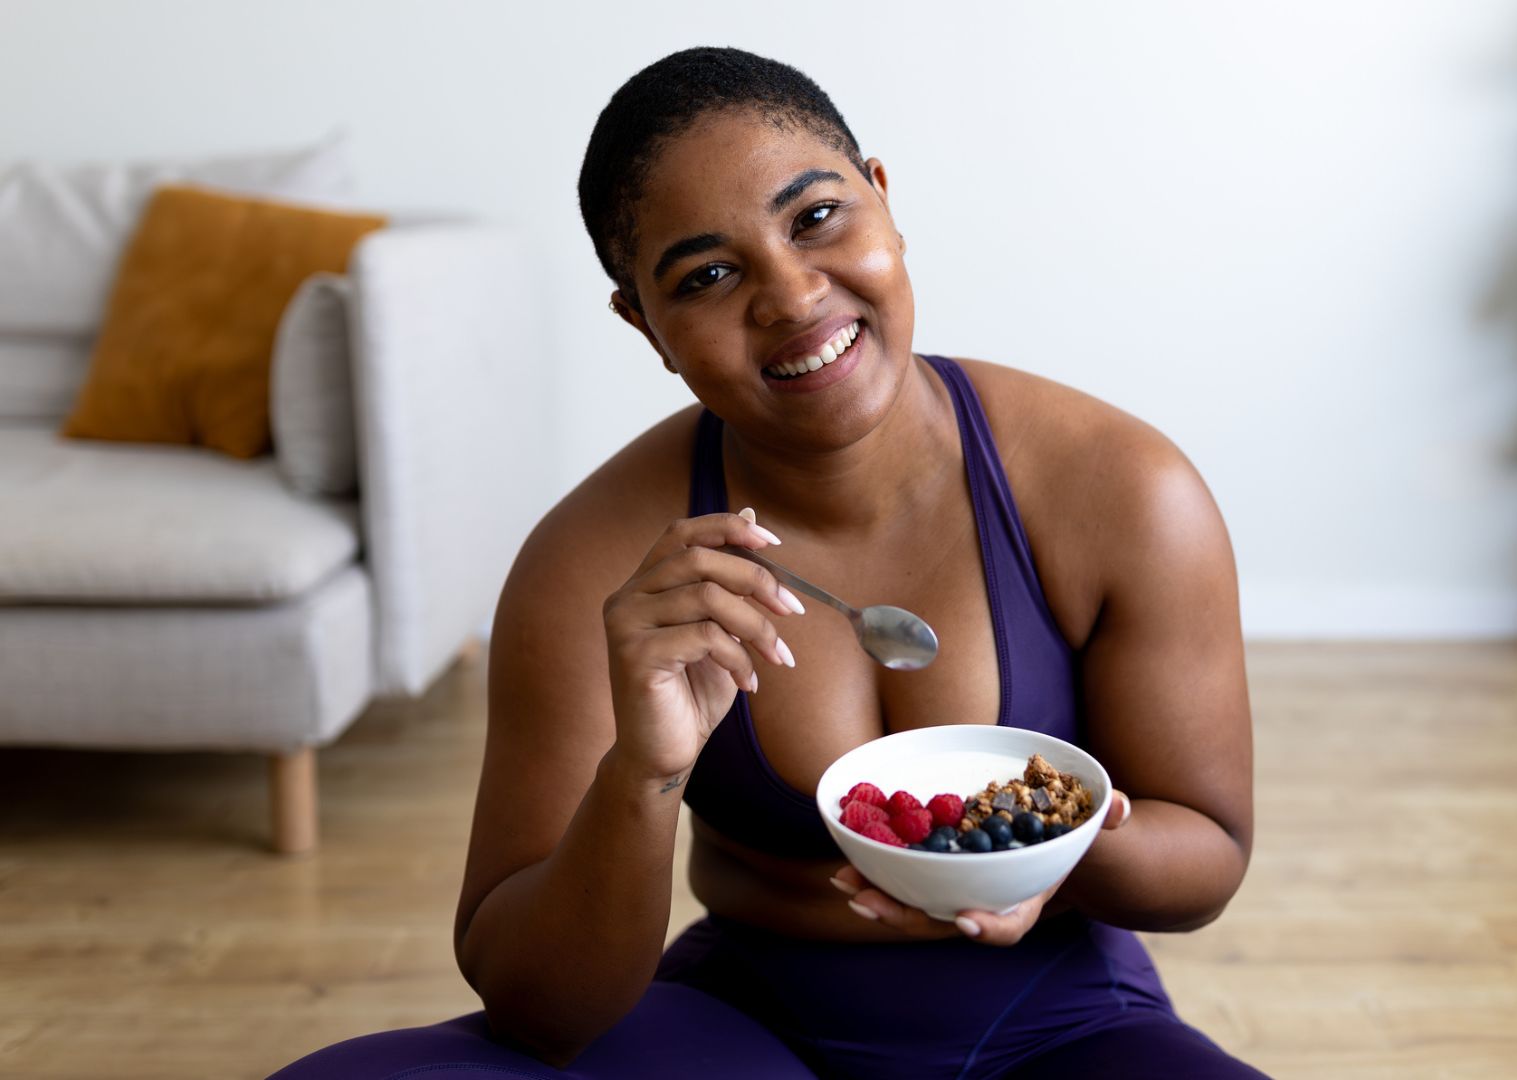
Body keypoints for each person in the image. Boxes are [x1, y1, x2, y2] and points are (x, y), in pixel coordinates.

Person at [272, 45, 1257, 1079]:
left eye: (818, 218)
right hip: (742, 1032)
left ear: (883, 200)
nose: (791, 297)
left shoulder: (1121, 488)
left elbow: (1207, 862)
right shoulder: (595, 563)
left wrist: (1051, 848)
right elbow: (537, 1004)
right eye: (706, 275)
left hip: (1064, 1028)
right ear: (644, 323)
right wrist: (642, 770)